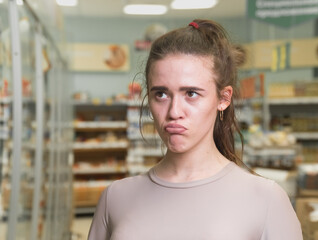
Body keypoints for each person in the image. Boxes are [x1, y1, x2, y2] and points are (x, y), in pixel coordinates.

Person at [88, 19, 302, 240]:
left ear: (223, 98)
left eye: (191, 93)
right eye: (161, 94)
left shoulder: (267, 199)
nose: (174, 111)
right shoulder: (115, 198)